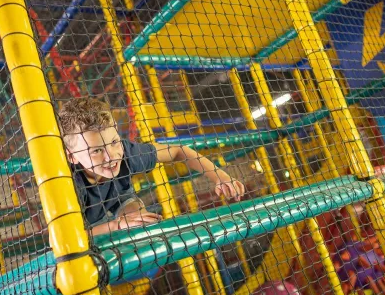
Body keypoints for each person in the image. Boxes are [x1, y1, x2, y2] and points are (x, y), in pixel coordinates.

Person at [59, 98, 245, 235]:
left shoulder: (127, 153)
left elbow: (179, 150)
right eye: (96, 151)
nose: (111, 156)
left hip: (120, 197)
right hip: (84, 221)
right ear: (72, 157)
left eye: (115, 141)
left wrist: (219, 176)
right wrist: (116, 225)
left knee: (143, 224)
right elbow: (65, 239)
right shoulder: (68, 186)